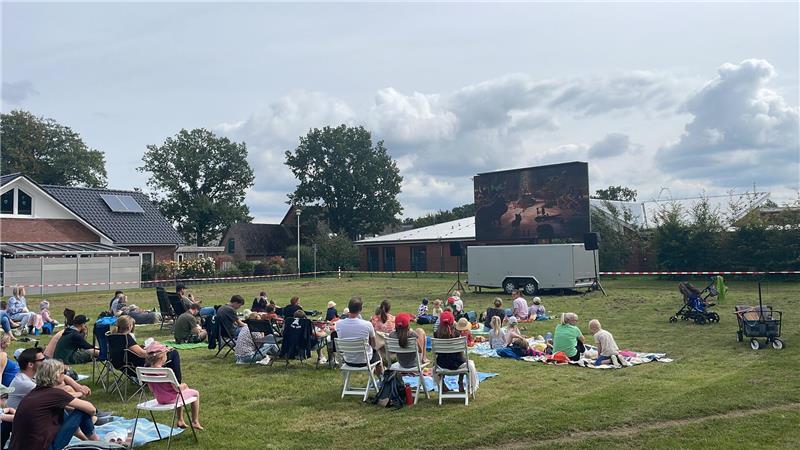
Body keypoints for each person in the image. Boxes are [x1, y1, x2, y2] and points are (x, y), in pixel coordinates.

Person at [10, 358, 100, 450]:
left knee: (67, 411)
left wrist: (79, 393)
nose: (64, 375)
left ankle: (92, 442)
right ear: (56, 375)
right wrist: (91, 414)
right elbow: (91, 409)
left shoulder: (33, 393)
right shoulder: (55, 394)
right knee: (82, 411)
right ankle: (98, 443)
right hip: (45, 447)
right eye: (62, 373)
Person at [144, 341, 203, 430]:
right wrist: (184, 385)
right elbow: (177, 389)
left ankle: (180, 420)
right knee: (195, 393)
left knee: (180, 394)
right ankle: (195, 421)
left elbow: (152, 390)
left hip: (159, 399)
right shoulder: (167, 372)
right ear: (162, 357)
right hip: (172, 399)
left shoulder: (147, 372)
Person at [8, 347, 91, 409]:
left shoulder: (31, 375)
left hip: (37, 409)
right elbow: (54, 396)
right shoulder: (25, 383)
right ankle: (88, 416)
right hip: (26, 421)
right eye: (42, 360)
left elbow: (63, 377)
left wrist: (79, 387)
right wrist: (81, 393)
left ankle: (87, 416)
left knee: (67, 388)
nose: (45, 362)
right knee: (66, 401)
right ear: (30, 364)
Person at [111, 315, 183, 382]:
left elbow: (132, 350)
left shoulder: (112, 337)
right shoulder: (126, 338)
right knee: (173, 352)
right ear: (129, 326)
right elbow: (143, 354)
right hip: (139, 365)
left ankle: (166, 379)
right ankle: (176, 381)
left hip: (121, 365)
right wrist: (162, 351)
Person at [335, 297, 382, 375]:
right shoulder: (367, 324)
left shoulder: (338, 324)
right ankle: (381, 380)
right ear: (361, 309)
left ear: (349, 308)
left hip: (348, 360)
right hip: (365, 360)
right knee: (378, 357)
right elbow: (373, 344)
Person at [433, 311, 477, 393]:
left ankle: (442, 385)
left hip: (441, 364)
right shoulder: (457, 333)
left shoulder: (436, 334)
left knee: (435, 364)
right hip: (458, 364)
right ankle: (460, 382)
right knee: (466, 361)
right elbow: (461, 353)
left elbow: (436, 353)